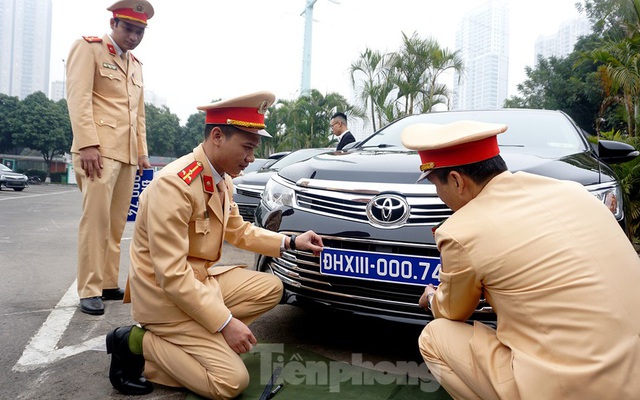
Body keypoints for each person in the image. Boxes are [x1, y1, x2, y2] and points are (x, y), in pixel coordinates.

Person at [106, 91, 324, 398]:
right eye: (247, 147)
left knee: (271, 288)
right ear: (218, 136)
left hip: (199, 283)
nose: (251, 158)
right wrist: (224, 323)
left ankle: (197, 345)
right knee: (230, 383)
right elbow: (171, 274)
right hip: (165, 297)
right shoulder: (173, 185)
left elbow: (238, 231)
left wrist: (290, 241)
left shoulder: (222, 178)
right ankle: (136, 341)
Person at [401, 120, 640, 400]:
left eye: (436, 186)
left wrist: (430, 298)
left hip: (574, 388)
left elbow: (452, 311)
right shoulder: (574, 192)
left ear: (456, 180)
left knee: (434, 336)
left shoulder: (460, 230)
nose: (440, 197)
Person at [66, 0, 154, 315]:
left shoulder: (137, 65)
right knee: (95, 221)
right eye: (128, 28)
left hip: (128, 154)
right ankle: (89, 289)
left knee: (117, 224)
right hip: (98, 152)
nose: (133, 36)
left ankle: (105, 282)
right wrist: (88, 143)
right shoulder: (88, 49)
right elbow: (78, 98)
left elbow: (138, 115)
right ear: (114, 23)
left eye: (139, 31)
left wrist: (142, 153)